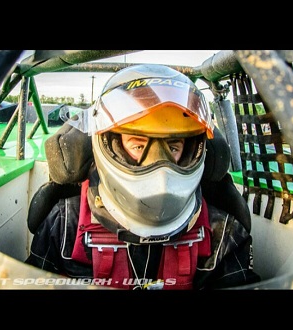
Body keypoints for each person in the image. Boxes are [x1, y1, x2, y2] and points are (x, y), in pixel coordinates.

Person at [25, 64, 261, 290]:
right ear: (109, 143)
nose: (159, 170)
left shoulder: (222, 231)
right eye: (138, 146)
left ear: (196, 150)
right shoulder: (65, 223)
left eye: (174, 146)